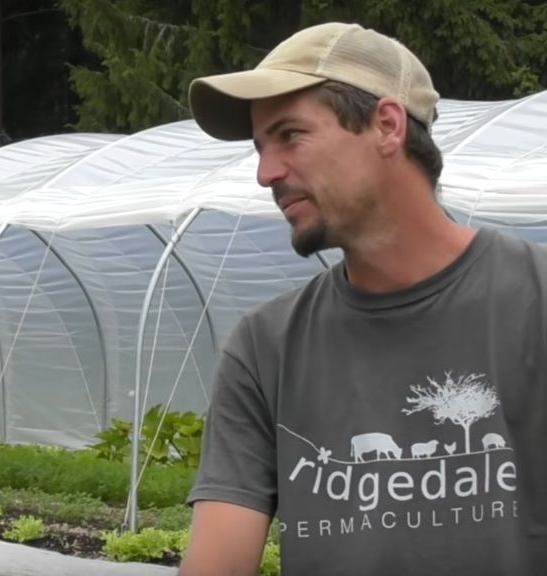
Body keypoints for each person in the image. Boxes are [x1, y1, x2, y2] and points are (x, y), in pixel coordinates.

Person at [178, 22, 545, 576]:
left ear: (387, 126)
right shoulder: (264, 349)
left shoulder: (537, 303)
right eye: (260, 147)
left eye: (290, 135)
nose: (265, 173)